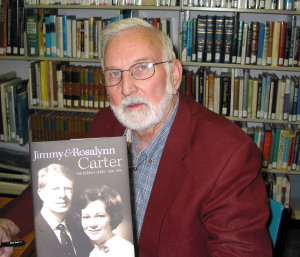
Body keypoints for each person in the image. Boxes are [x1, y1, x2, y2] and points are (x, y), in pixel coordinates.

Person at [0, 17, 273, 256]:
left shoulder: (228, 154)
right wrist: (7, 225)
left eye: (142, 68)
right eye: (114, 74)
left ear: (175, 75)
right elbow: (60, 181)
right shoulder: (106, 124)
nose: (127, 87)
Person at [75, 185, 134, 257]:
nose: (92, 224)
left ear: (112, 217)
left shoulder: (125, 250)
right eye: (86, 217)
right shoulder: (93, 254)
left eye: (100, 216)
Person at [34, 164, 77, 257]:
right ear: (41, 194)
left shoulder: (79, 227)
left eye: (68, 189)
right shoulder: (33, 231)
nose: (62, 195)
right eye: (55, 189)